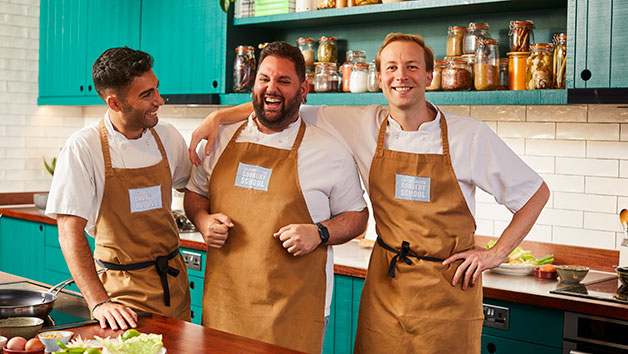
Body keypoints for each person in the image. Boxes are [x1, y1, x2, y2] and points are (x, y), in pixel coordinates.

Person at [188, 33, 550, 353]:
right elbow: (279, 101)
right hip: (387, 286)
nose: (401, 76)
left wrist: (495, 254)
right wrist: (218, 118)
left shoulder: (468, 135)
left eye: (411, 67)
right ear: (379, 78)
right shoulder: (362, 123)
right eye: (391, 67)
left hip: (448, 287)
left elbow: (535, 194)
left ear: (429, 75)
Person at [184, 41, 368, 354]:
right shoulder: (221, 138)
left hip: (294, 311)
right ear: (253, 84)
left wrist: (319, 232)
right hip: (226, 305)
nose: (272, 89)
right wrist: (202, 219)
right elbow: (195, 194)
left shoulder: (330, 150)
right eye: (264, 79)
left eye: (284, 81)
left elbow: (358, 217)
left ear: (303, 89)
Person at [46, 47, 192, 330]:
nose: (159, 100)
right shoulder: (84, 147)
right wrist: (99, 302)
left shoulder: (168, 136)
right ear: (114, 103)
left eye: (156, 89)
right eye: (146, 95)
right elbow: (68, 232)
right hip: (120, 297)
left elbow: (194, 190)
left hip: (173, 285)